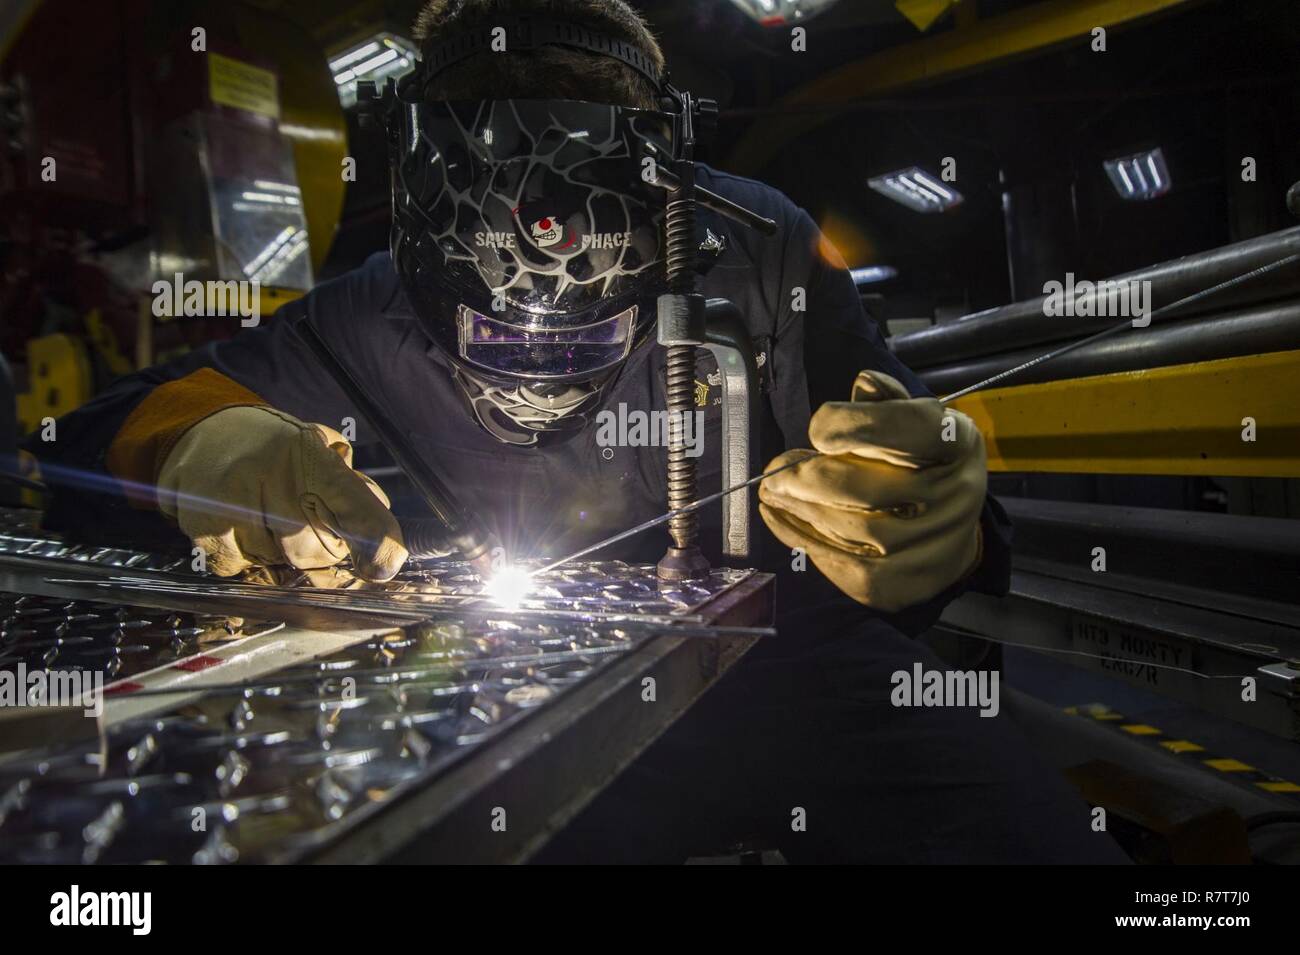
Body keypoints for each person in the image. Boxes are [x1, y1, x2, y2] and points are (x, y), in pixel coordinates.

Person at [29, 0, 1125, 863]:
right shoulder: (366, 309)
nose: (538, 366)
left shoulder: (763, 248)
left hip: (784, 650)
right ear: (423, 237)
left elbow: (900, 459)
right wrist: (202, 448)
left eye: (588, 324)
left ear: (665, 211)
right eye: (493, 334)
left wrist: (935, 522)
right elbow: (99, 437)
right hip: (522, 680)